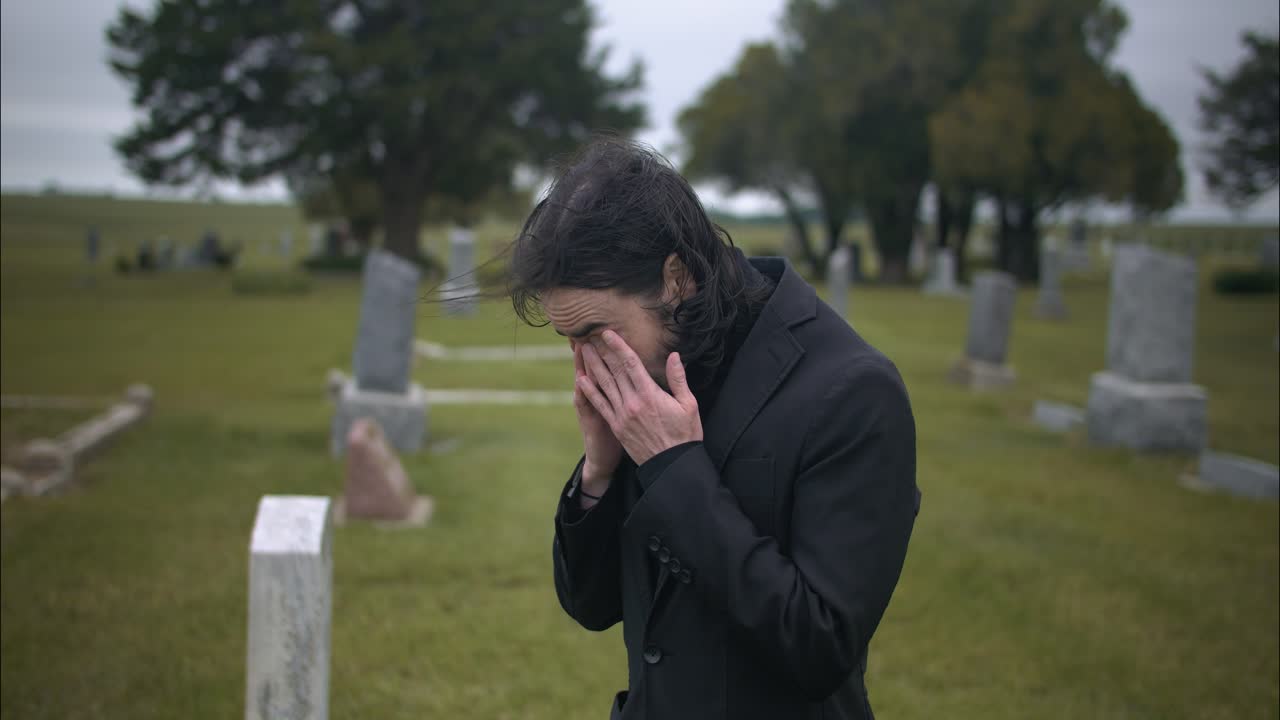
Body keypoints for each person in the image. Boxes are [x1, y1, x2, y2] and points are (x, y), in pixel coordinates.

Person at [510, 138, 920, 720]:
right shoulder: (659, 367)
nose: (586, 361)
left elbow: (819, 647)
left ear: (675, 279)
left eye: (598, 332)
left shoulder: (853, 392)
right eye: (568, 340)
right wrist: (599, 473)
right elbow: (592, 606)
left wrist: (673, 468)